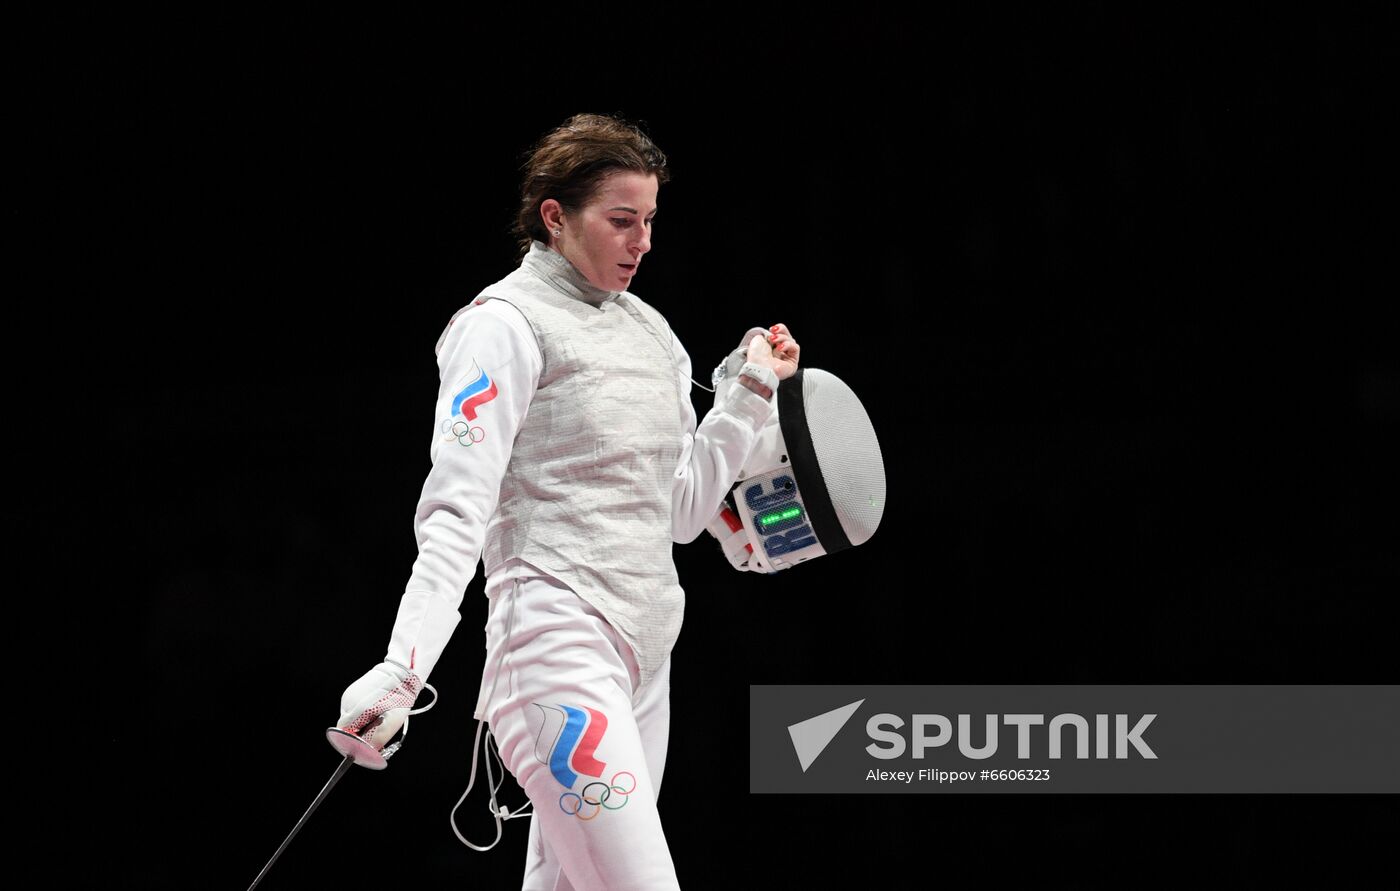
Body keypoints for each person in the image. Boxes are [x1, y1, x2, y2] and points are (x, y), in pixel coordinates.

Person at [334, 113, 799, 890]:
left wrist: (749, 392)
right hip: (554, 653)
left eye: (649, 220)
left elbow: (680, 511)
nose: (641, 241)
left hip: (645, 656)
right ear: (555, 216)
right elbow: (457, 506)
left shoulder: (654, 335)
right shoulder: (503, 326)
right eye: (621, 221)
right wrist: (402, 667)